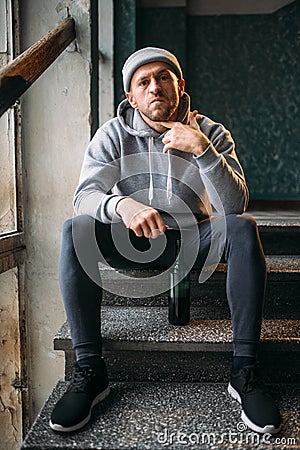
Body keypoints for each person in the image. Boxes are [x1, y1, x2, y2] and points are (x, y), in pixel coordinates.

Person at [49, 47, 281, 434]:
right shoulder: (112, 134)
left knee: (243, 228)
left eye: (163, 77)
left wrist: (202, 151)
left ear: (180, 85)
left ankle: (245, 371)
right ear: (132, 97)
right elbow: (84, 197)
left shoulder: (211, 132)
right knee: (75, 231)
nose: (154, 87)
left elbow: (234, 204)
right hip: (136, 240)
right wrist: (122, 206)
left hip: (197, 241)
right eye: (144, 82)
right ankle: (90, 370)